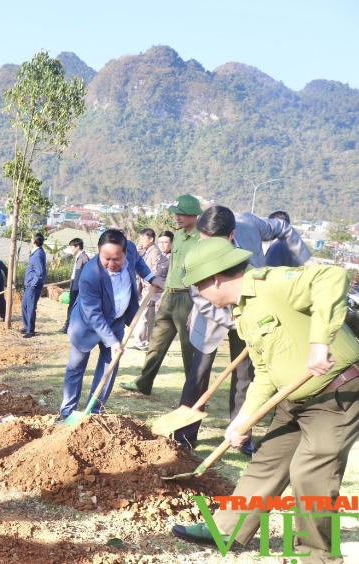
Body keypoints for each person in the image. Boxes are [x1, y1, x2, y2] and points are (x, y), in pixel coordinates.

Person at [170, 237, 359, 562]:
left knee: (309, 472)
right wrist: (245, 419)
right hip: (294, 399)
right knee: (266, 462)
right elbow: (265, 372)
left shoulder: (269, 283)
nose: (199, 293)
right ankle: (227, 529)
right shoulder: (243, 312)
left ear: (215, 278)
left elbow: (332, 277)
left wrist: (319, 343)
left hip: (335, 393)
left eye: (199, 285)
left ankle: (317, 556)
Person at [174, 206, 310, 453]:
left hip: (252, 310)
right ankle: (184, 435)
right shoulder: (197, 248)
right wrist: (238, 320)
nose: (208, 248)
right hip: (212, 317)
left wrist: (304, 263)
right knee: (198, 374)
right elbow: (200, 294)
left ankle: (241, 432)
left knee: (246, 377)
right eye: (205, 241)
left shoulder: (250, 224)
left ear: (233, 233)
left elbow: (283, 228)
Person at [59, 230, 161, 419]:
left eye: (117, 259)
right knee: (76, 367)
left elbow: (138, 262)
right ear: (98, 251)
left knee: (109, 367)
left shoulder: (130, 250)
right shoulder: (90, 275)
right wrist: (112, 341)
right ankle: (66, 413)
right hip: (87, 325)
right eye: (106, 259)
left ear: (125, 253)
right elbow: (94, 314)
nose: (112, 264)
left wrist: (151, 278)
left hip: (116, 322)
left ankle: (95, 412)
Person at [120, 194, 202, 396]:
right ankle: (143, 383)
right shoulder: (180, 236)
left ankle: (195, 393)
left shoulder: (202, 238)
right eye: (176, 214)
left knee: (188, 347)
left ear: (194, 215)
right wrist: (164, 295)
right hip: (170, 294)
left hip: (188, 297)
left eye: (182, 214)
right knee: (156, 341)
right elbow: (174, 268)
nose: (177, 218)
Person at [130, 228, 169, 350]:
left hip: (152, 288)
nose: (141, 241)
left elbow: (155, 271)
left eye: (143, 238)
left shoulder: (155, 252)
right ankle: (146, 341)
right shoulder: (146, 251)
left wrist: (152, 285)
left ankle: (141, 342)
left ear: (151, 239)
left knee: (143, 315)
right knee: (148, 316)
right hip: (145, 288)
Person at [59, 238, 90, 334]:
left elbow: (86, 274)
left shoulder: (84, 258)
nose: (71, 249)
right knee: (71, 306)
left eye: (72, 247)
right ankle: (69, 326)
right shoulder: (78, 257)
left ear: (78, 247)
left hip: (79, 287)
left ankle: (69, 327)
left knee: (75, 307)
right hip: (74, 284)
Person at [20, 232, 47, 338]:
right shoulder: (37, 252)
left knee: (30, 307)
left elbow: (39, 272)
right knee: (24, 305)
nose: (31, 240)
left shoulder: (38, 254)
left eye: (32, 239)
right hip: (30, 285)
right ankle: (27, 326)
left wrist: (33, 284)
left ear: (34, 241)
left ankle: (30, 331)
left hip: (33, 286)